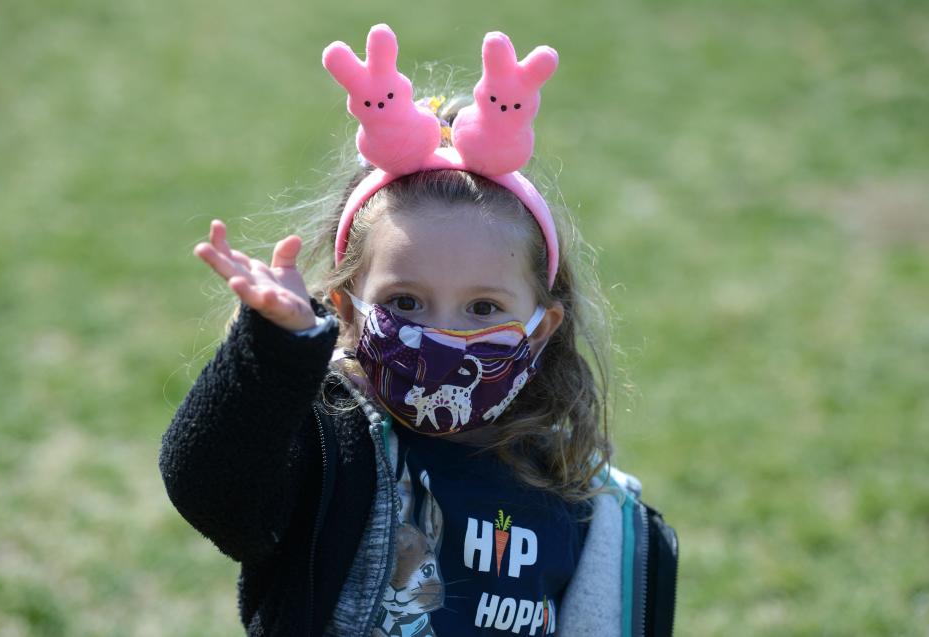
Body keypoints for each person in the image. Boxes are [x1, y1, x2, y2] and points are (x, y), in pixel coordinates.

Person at [158, 24, 677, 637]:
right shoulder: (328, 450)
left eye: (483, 309)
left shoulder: (577, 497)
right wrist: (275, 352)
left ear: (540, 331)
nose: (442, 336)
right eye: (405, 302)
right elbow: (212, 490)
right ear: (347, 311)